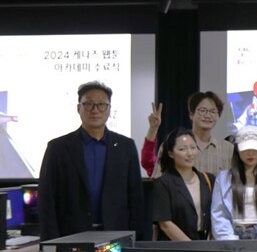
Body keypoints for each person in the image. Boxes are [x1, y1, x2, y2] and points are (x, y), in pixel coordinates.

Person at [38, 81, 144, 240]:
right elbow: (46, 198)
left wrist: (136, 238)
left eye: (102, 104)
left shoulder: (125, 146)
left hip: (116, 236)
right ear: (78, 108)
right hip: (71, 236)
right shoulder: (58, 147)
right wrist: (50, 241)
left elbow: (135, 197)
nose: (95, 110)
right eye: (88, 104)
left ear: (109, 109)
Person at [210, 126, 257, 240]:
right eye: (245, 149)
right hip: (231, 233)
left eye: (256, 149)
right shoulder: (223, 178)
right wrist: (229, 241)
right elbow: (219, 214)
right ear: (237, 149)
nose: (251, 153)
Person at [142, 92, 234, 177]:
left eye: (213, 112)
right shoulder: (172, 145)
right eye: (202, 110)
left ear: (218, 116)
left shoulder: (228, 149)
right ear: (191, 114)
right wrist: (152, 129)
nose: (208, 115)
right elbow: (158, 181)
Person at [148, 128, 213, 241]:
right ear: (171, 153)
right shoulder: (163, 183)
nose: (190, 153)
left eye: (193, 147)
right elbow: (165, 224)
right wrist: (191, 247)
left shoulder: (208, 179)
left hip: (203, 243)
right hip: (175, 246)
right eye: (182, 149)